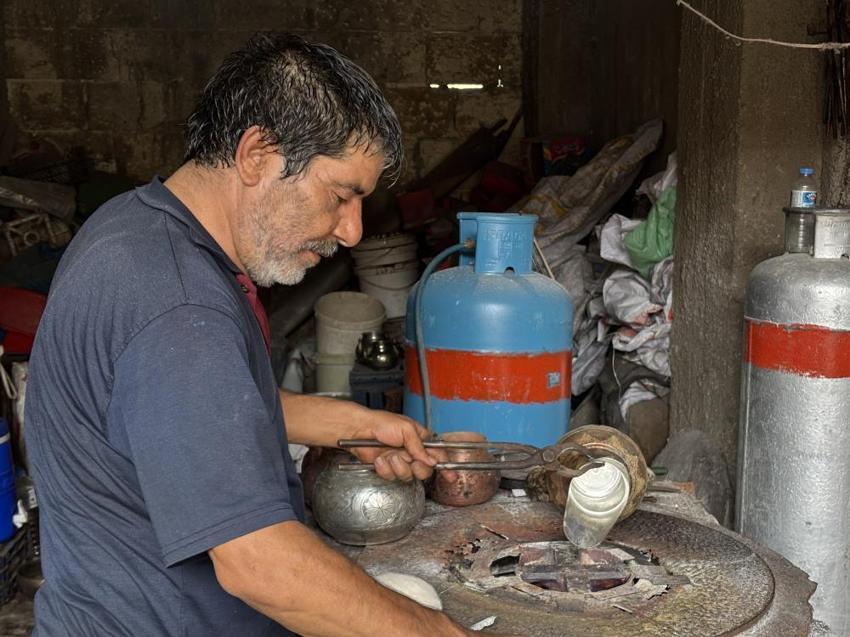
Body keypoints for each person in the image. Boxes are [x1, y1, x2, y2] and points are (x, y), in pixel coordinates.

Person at [25, 34, 522, 637]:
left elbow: (186, 412)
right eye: (341, 196)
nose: (353, 231)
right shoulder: (180, 307)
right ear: (257, 154)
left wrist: (352, 426)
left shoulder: (135, 227)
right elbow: (260, 564)